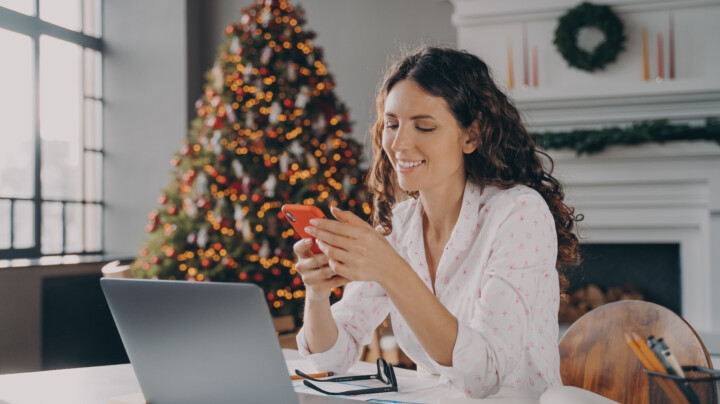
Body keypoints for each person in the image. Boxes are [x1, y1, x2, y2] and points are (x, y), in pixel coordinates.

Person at [292, 45, 582, 399]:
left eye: (424, 127)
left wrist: (393, 271)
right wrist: (318, 295)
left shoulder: (518, 213)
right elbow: (330, 359)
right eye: (392, 124)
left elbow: (484, 377)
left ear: (471, 136)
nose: (398, 143)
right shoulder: (400, 225)